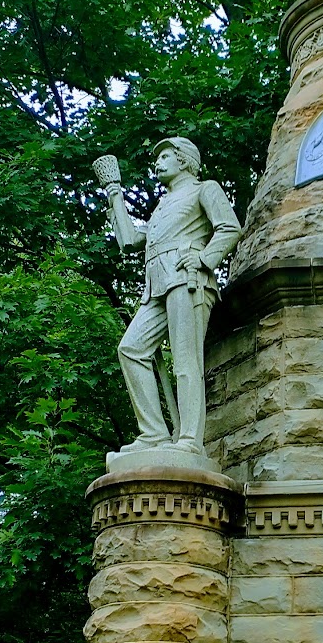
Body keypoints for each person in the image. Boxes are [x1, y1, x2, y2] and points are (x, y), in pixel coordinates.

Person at [95, 138, 242, 466]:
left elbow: (230, 227)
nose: (158, 162)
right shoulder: (162, 205)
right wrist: (114, 193)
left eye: (165, 156)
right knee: (130, 349)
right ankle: (154, 434)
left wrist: (204, 258)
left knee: (186, 360)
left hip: (187, 281)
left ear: (184, 160)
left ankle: (189, 439)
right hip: (157, 286)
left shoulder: (205, 189)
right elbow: (131, 240)